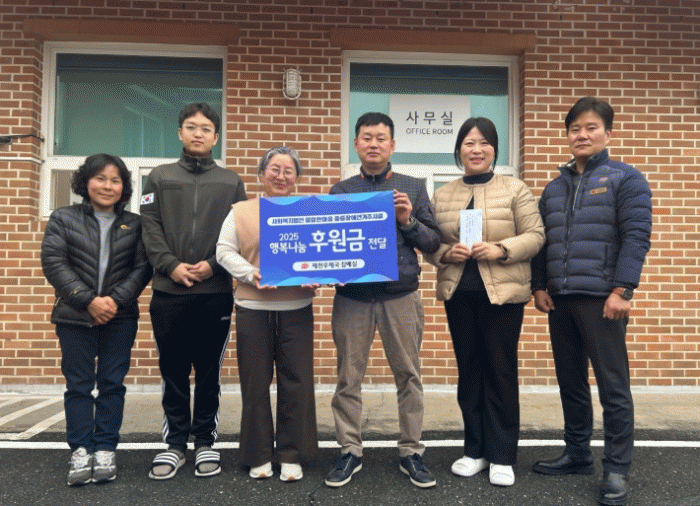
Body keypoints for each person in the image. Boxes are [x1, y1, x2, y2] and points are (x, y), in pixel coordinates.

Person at [530, 97, 652, 506]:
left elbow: (636, 237)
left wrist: (623, 289)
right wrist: (539, 285)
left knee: (613, 386)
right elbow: (543, 241)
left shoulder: (626, 179)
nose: (582, 135)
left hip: (603, 299)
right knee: (571, 381)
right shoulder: (554, 188)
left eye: (591, 127)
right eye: (575, 129)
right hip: (561, 299)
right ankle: (577, 453)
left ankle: (616, 468)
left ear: (607, 133)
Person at [324, 112, 441, 489]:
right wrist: (323, 270)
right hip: (352, 298)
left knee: (408, 375)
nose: (373, 144)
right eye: (366, 137)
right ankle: (349, 449)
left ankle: (411, 451)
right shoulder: (341, 191)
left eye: (380, 138)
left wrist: (408, 221)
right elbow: (329, 246)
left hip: (400, 295)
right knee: (348, 377)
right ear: (356, 144)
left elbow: (433, 242)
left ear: (392, 145)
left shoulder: (412, 187)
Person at [427, 117, 545, 487]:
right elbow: (430, 243)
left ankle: (502, 455)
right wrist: (446, 254)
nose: (476, 150)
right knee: (470, 372)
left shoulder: (514, 189)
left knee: (500, 372)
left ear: (494, 149)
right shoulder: (443, 194)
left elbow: (536, 235)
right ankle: (474, 450)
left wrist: (501, 249)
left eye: (483, 143)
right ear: (459, 150)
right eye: (469, 143)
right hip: (459, 295)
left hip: (503, 297)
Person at [140, 102, 247, 480]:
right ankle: (174, 444)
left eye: (205, 128)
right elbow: (149, 226)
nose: (198, 133)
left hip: (214, 292)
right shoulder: (159, 177)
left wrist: (213, 265)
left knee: (208, 372)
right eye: (191, 127)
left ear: (216, 137)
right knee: (172, 371)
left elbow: (240, 232)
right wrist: (170, 265)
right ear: (180, 133)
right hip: (168, 292)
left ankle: (204, 441)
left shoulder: (231, 181)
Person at [41, 154, 153, 486]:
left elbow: (142, 268)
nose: (107, 186)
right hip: (74, 316)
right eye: (100, 178)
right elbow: (54, 262)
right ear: (85, 182)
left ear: (124, 186)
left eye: (115, 180)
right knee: (78, 385)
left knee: (112, 384)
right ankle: (80, 450)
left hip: (120, 317)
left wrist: (113, 301)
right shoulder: (63, 218)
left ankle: (105, 449)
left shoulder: (135, 224)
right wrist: (88, 301)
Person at [216, 146, 318, 482]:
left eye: (289, 171)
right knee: (255, 383)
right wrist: (251, 273)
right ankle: (258, 454)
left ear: (297, 178)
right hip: (253, 308)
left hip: (296, 308)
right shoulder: (241, 211)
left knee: (297, 383)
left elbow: (321, 253)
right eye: (275, 169)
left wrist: (319, 273)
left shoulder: (309, 212)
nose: (281, 176)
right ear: (262, 174)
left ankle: (292, 454)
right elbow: (224, 251)